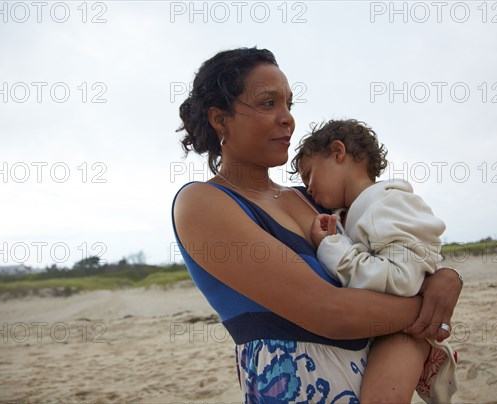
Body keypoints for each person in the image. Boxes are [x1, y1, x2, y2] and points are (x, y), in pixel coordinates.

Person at [172, 47, 462, 402]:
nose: (287, 119)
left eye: (289, 105)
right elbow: (331, 313)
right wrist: (430, 304)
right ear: (220, 119)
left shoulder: (313, 200)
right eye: (268, 103)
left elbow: (393, 251)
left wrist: (446, 276)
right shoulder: (204, 203)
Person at [290, 119, 459, 403]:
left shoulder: (388, 203)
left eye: (310, 174)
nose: (308, 188)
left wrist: (332, 247)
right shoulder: (351, 213)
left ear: (337, 152)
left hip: (402, 335)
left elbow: (402, 281)